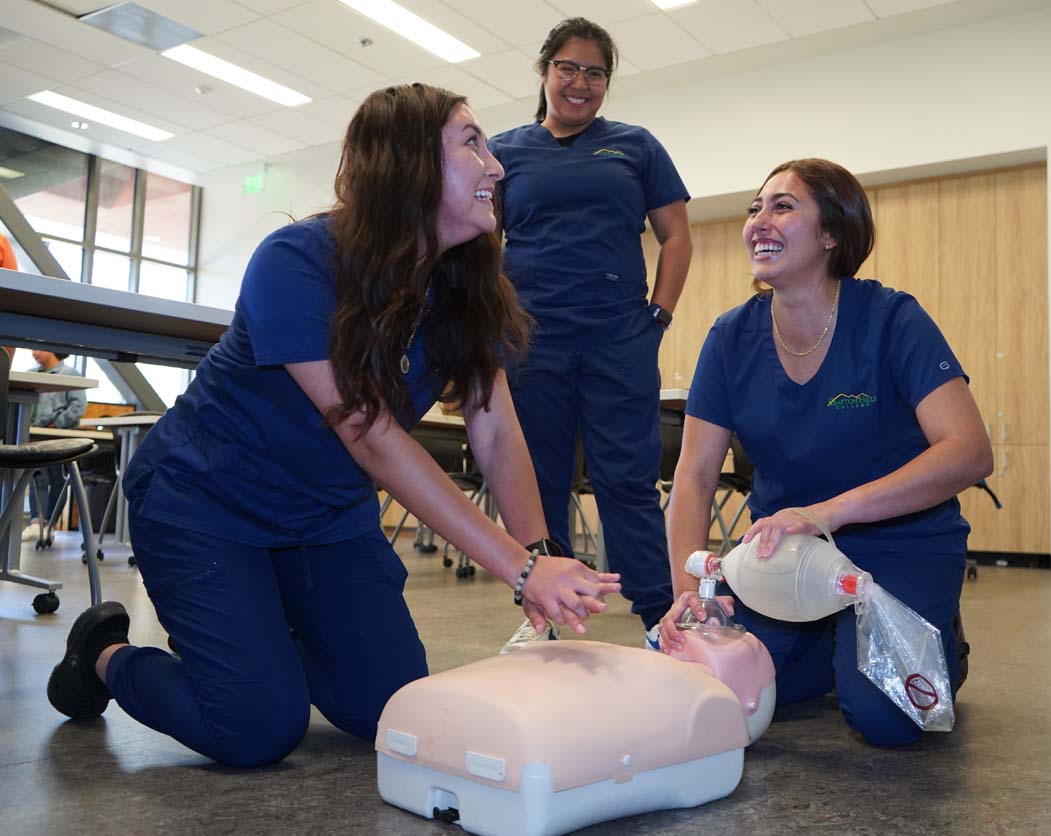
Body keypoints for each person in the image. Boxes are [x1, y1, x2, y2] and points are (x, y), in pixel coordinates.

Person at [45, 84, 621, 768]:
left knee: (389, 708)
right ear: (407, 164)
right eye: (472, 143)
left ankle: (252, 635)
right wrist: (522, 571)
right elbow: (370, 435)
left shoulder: (460, 289)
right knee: (256, 729)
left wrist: (540, 551)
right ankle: (104, 652)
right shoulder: (297, 260)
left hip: (324, 519)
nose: (496, 166)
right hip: (205, 505)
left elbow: (495, 430)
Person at [657, 159, 992, 747]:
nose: (759, 220)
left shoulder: (892, 319)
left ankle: (937, 641)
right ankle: (830, 639)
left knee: (887, 721)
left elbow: (968, 451)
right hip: (783, 555)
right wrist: (692, 590)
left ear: (832, 233)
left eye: (782, 206)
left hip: (898, 543)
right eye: (755, 209)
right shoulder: (730, 338)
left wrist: (828, 513)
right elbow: (694, 475)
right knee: (721, 686)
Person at [488, 17, 692, 649]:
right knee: (538, 479)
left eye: (595, 72)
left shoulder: (635, 145)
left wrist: (658, 318)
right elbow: (479, 246)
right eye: (568, 68)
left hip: (618, 337)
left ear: (607, 81)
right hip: (531, 340)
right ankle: (544, 615)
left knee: (627, 479)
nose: (580, 82)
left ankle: (659, 616)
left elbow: (677, 237)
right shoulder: (504, 151)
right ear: (544, 71)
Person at [22, 350, 87, 543]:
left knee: (58, 480)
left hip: (59, 435)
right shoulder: (30, 374)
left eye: (39, 348)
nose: (34, 353)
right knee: (37, 477)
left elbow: (78, 405)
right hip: (35, 434)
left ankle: (50, 523)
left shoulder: (69, 374)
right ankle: (37, 523)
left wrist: (58, 423)